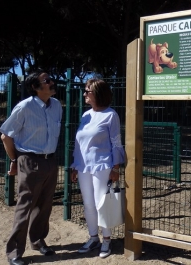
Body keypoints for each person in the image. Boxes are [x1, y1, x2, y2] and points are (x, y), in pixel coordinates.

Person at [0, 70, 63, 265]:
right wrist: (14, 160)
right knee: (25, 207)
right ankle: (14, 253)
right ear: (36, 87)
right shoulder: (24, 107)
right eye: (47, 80)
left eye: (51, 78)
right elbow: (5, 135)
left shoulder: (57, 106)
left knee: (45, 206)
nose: (52, 82)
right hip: (29, 161)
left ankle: (37, 240)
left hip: (51, 161)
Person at [70, 78, 125, 259]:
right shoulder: (86, 115)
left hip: (102, 166)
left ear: (98, 94)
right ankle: (93, 237)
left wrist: (115, 168)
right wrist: (74, 166)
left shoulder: (111, 115)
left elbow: (116, 142)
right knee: (88, 204)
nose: (84, 94)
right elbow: (80, 143)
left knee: (102, 203)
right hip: (83, 166)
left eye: (88, 91)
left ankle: (107, 239)